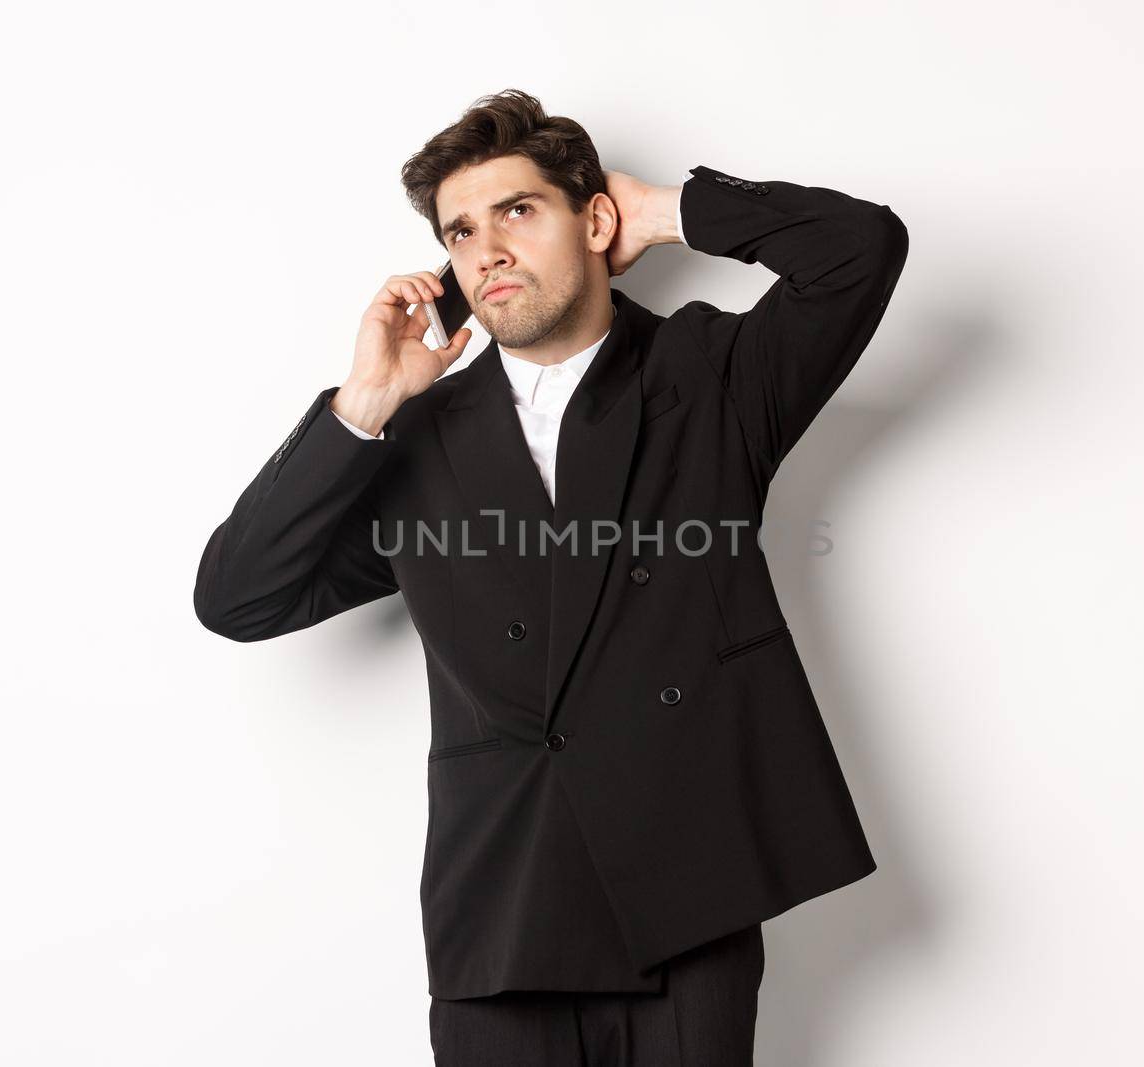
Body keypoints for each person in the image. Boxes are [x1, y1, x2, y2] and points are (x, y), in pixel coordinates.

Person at [194, 88, 909, 1066]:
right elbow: (238, 595)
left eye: (517, 211)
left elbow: (859, 249)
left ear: (591, 219)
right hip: (502, 917)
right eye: (459, 231)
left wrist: (661, 212)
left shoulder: (709, 377)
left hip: (686, 906)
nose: (485, 248)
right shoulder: (414, 440)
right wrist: (362, 405)